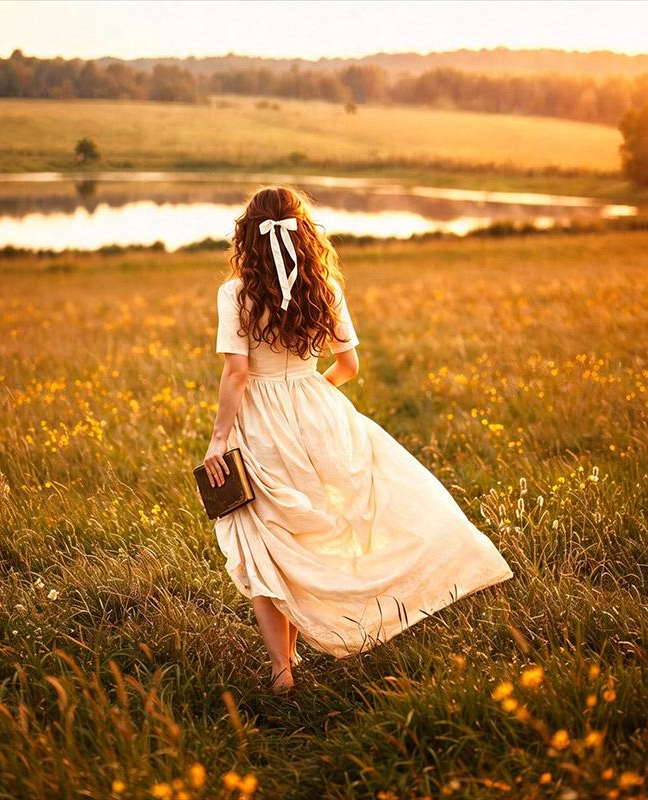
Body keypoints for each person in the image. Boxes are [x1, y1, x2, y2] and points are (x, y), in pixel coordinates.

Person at [203, 186, 513, 694]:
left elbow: (237, 374)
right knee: (315, 532)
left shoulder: (236, 293)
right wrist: (308, 396)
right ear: (303, 232)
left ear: (248, 235)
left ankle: (283, 671)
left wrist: (219, 441)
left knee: (267, 541)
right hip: (321, 414)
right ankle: (336, 625)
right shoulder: (323, 287)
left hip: (259, 424)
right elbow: (349, 366)